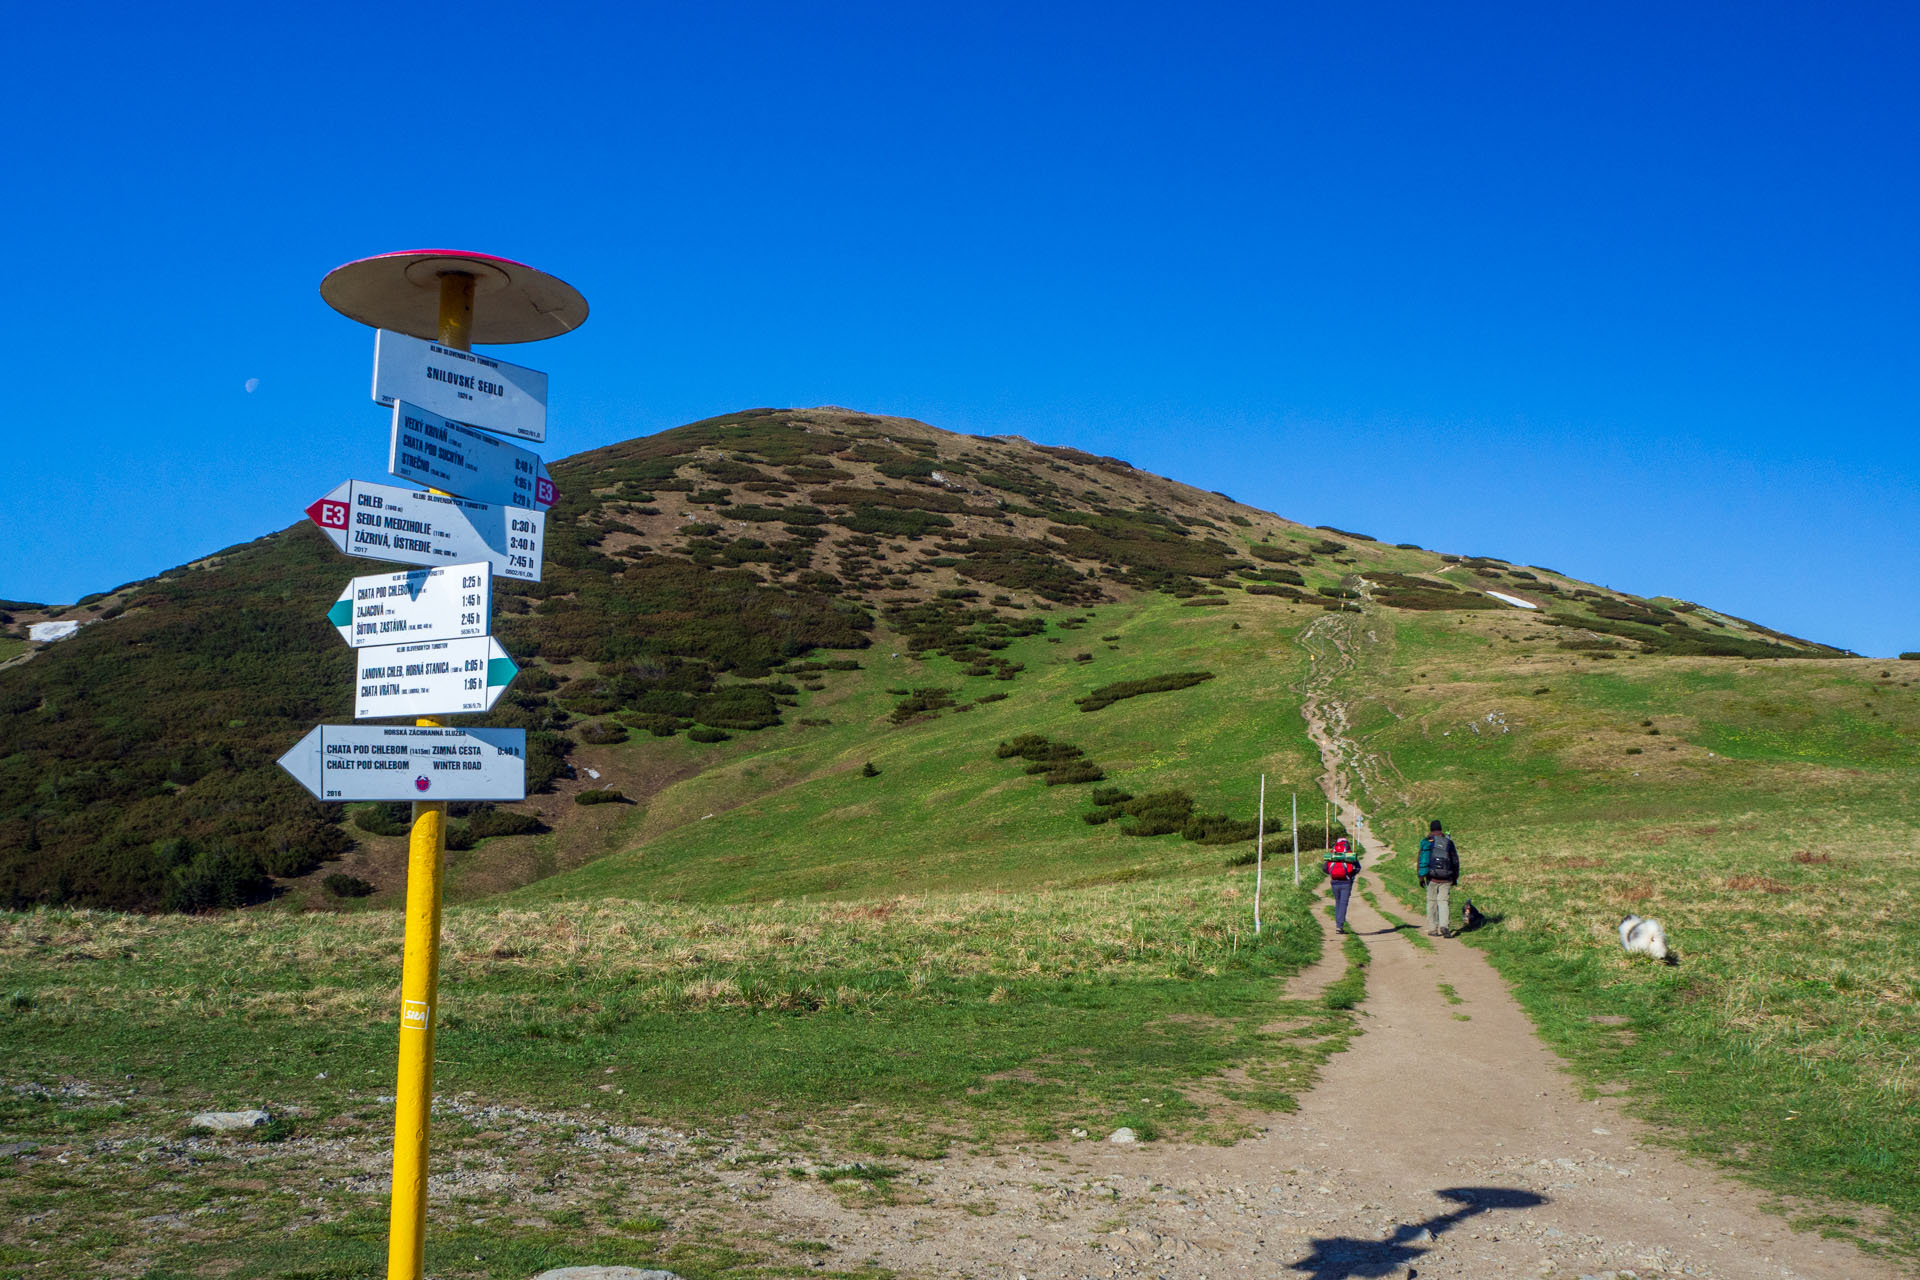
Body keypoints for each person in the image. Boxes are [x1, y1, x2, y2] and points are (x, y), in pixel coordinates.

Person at [1418, 819, 1460, 937]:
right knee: (1443, 901)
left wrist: (1421, 878)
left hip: (1431, 877)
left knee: (1431, 901)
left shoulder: (1427, 842)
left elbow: (1421, 859)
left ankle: (1432, 929)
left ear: (1431, 829)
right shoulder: (1448, 842)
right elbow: (1455, 860)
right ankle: (1444, 926)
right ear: (1441, 829)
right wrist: (1454, 877)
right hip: (1446, 877)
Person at [1322, 836, 1360, 934]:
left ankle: (1338, 924)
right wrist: (1351, 874)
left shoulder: (1333, 854)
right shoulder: (1349, 854)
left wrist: (1332, 873)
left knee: (1338, 902)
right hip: (1346, 882)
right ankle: (1340, 926)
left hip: (1334, 881)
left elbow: (1325, 868)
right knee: (1343, 904)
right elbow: (1358, 867)